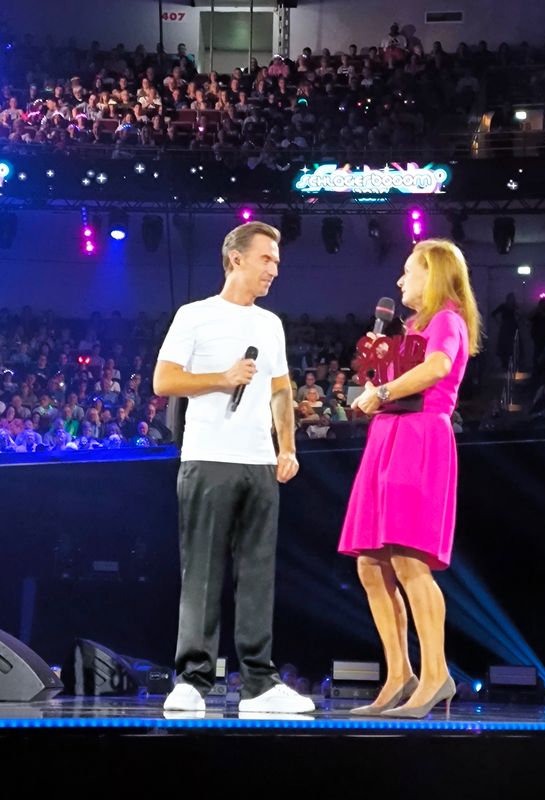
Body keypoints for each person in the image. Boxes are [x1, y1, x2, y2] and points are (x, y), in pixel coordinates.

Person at [154, 221, 315, 715]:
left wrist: (287, 447)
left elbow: (281, 389)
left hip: (259, 463)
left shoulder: (270, 324)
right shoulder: (194, 315)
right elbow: (164, 380)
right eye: (266, 259)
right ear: (235, 259)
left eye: (277, 262)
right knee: (202, 570)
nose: (274, 270)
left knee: (257, 574)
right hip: (208, 457)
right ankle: (193, 680)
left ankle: (259, 685)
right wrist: (222, 378)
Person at [337, 239, 481, 719]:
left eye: (408, 271)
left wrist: (381, 391)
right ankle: (400, 675)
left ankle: (436, 674)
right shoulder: (415, 327)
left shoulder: (447, 320)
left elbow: (438, 367)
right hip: (388, 437)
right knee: (370, 563)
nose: (400, 281)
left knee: (408, 558)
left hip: (418, 438)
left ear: (431, 274)